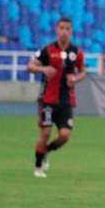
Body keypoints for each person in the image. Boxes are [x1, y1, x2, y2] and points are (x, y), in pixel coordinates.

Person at [27, 17, 86, 178]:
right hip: (47, 100)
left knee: (65, 136)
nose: (64, 31)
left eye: (67, 28)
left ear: (71, 31)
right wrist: (44, 69)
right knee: (45, 133)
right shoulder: (47, 50)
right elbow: (30, 66)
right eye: (62, 28)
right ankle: (38, 167)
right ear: (56, 29)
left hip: (66, 101)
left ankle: (46, 151)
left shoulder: (76, 52)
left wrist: (76, 78)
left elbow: (83, 72)